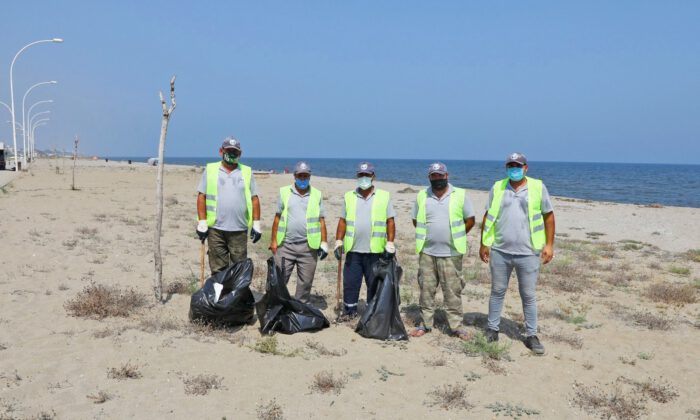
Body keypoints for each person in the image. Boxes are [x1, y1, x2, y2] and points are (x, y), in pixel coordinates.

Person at [479, 152, 555, 355]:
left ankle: (531, 334)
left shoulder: (538, 187)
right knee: (497, 291)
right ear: (506, 168)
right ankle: (492, 329)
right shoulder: (497, 187)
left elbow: (548, 216)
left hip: (528, 252)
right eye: (510, 165)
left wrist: (549, 245)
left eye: (518, 165)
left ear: (526, 168)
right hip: (500, 251)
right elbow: (488, 216)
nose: (514, 168)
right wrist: (484, 243)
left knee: (528, 295)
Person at [410, 162, 475, 339]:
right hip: (427, 252)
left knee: (452, 291)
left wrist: (458, 235)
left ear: (447, 176)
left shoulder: (460, 195)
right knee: (426, 290)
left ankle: (456, 327)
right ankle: (425, 324)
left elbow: (470, 219)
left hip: (451, 253)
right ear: (429, 177)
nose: (437, 178)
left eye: (440, 175)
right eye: (434, 176)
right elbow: (416, 221)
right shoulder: (422, 196)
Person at [334, 162, 396, 319]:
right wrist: (338, 241)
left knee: (373, 284)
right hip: (354, 250)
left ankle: (372, 312)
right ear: (357, 176)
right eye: (361, 175)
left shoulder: (384, 196)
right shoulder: (349, 196)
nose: (364, 178)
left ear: (373, 176)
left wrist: (390, 243)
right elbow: (342, 221)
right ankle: (349, 311)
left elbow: (390, 221)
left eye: (367, 175)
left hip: (375, 251)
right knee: (351, 283)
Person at [195, 137, 263, 275]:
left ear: (240, 154)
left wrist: (256, 224)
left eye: (235, 151)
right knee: (218, 269)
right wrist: (202, 222)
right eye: (228, 150)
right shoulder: (211, 170)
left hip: (239, 229)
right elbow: (202, 196)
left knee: (239, 269)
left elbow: (254, 198)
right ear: (221, 151)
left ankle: (237, 296)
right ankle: (220, 295)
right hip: (216, 229)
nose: (232, 154)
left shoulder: (247, 172)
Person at [270, 161, 329, 303]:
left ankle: (300, 308)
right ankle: (277, 307)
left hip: (308, 247)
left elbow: (321, 221)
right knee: (279, 280)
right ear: (294, 176)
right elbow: (277, 218)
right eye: (300, 175)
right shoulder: (284, 192)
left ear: (310, 176)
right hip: (285, 246)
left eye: (305, 176)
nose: (303, 178)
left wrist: (324, 242)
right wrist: (273, 241)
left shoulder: (317, 194)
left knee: (305, 283)